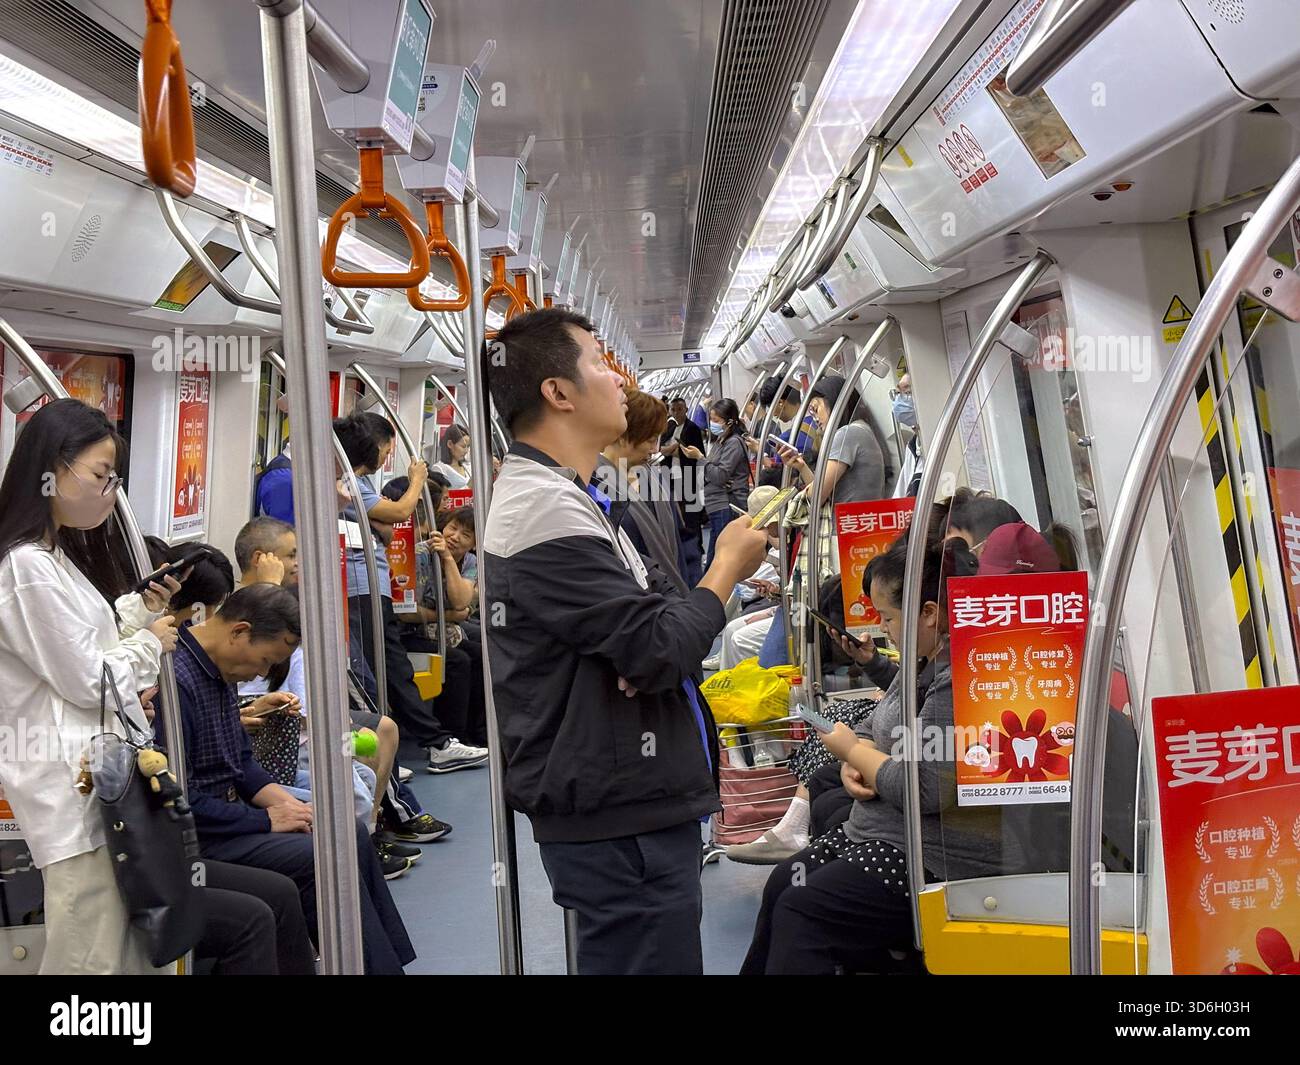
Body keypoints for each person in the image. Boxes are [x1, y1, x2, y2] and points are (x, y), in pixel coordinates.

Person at [484, 307, 769, 975]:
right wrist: (726, 566)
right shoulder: (544, 509)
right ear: (557, 392)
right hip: (618, 816)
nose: (618, 380)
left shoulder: (570, 496)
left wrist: (654, 641)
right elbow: (659, 648)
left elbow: (653, 625)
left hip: (624, 798)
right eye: (598, 363)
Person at [741, 534, 1023, 974]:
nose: (884, 628)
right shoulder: (923, 661)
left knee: (802, 911)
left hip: (933, 855)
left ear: (929, 613)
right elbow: (876, 721)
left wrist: (852, 751)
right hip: (883, 830)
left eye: (889, 617)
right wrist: (863, 753)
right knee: (783, 883)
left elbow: (928, 788)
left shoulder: (964, 675)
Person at [0, 399, 182, 973]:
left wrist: (132, 616)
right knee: (89, 957)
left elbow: (80, 647)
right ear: (54, 468)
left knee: (110, 952)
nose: (109, 491)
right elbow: (86, 679)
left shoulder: (54, 558)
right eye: (102, 476)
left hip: (97, 789)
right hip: (71, 792)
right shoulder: (26, 565)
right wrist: (150, 643)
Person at [164, 583, 416, 974]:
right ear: (239, 632)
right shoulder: (175, 684)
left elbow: (241, 760)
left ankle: (379, 966)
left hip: (229, 816)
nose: (263, 673)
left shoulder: (218, 674)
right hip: (201, 837)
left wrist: (282, 803)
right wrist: (266, 820)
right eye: (265, 661)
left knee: (345, 830)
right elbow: (180, 800)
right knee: (322, 855)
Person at [336, 413, 488, 773]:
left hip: (368, 585)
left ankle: (390, 750)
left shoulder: (354, 486)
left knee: (382, 670)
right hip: (360, 587)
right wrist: (417, 479)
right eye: (387, 449)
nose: (388, 456)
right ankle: (416, 747)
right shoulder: (351, 485)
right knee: (378, 672)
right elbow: (402, 510)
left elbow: (386, 527)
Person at [595, 390, 690, 592]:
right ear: (622, 435)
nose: (655, 449)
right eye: (650, 440)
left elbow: (678, 544)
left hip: (675, 594)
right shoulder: (596, 488)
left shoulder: (652, 477)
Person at [775, 375, 888, 506]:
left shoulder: (847, 434)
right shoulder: (861, 428)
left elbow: (817, 497)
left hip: (847, 522)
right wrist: (802, 466)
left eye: (816, 409)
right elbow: (825, 492)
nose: (815, 419)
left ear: (833, 401)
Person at [682, 397, 751, 569]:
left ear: (729, 421)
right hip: (716, 505)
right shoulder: (720, 441)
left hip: (725, 505)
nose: (712, 424)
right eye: (711, 419)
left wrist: (700, 458)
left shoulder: (733, 443)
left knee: (718, 559)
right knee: (716, 556)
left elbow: (719, 476)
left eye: (716, 420)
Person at [659, 395, 707, 584]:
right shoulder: (669, 428)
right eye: (673, 410)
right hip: (671, 476)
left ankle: (697, 548)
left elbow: (697, 453)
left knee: (691, 513)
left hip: (688, 476)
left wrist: (679, 448)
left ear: (686, 410)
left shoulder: (692, 428)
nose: (676, 413)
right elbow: (662, 448)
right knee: (679, 513)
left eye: (679, 409)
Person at [431, 423, 472, 489]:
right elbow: (442, 497)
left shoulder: (468, 467)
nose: (466, 451)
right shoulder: (439, 469)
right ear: (450, 444)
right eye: (463, 446)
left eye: (468, 446)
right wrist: (468, 487)